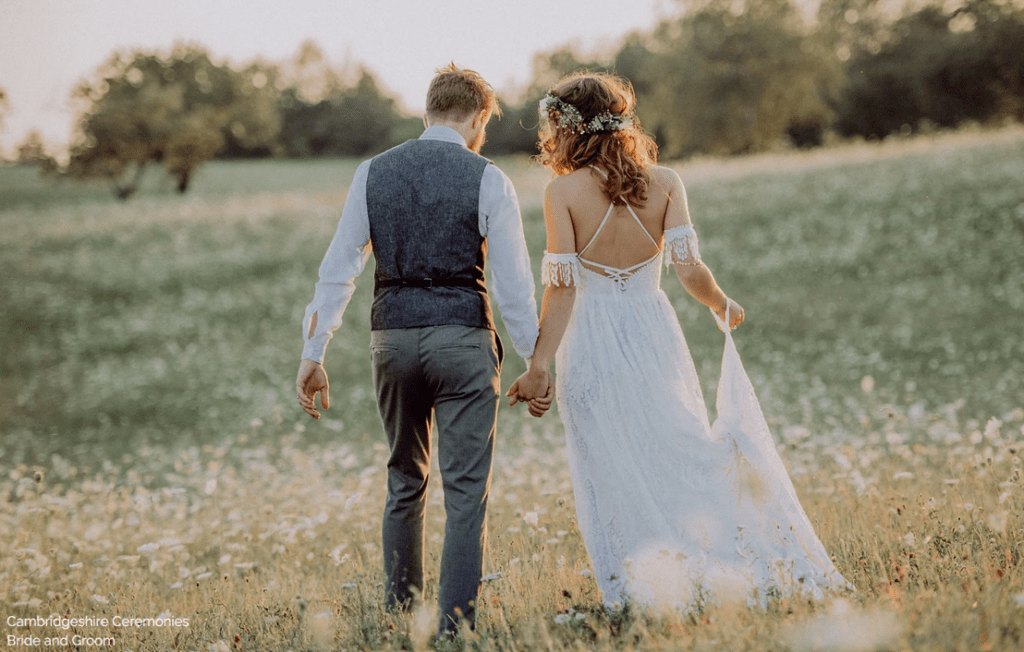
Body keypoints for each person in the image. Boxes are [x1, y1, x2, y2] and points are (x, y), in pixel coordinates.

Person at [507, 72, 850, 612]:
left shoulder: (563, 193)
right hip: (652, 332)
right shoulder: (665, 181)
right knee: (673, 442)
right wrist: (720, 303)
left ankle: (640, 587)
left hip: (592, 342)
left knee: (610, 462)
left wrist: (540, 364)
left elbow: (562, 287)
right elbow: (689, 271)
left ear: (568, 129)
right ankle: (697, 564)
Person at [296, 63, 552, 636]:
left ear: (427, 111)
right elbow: (513, 285)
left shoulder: (372, 172)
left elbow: (339, 268)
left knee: (403, 478)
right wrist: (536, 359)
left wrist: (314, 352)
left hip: (391, 339)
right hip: (463, 339)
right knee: (465, 491)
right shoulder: (488, 178)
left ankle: (399, 619)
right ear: (479, 117)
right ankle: (455, 629)